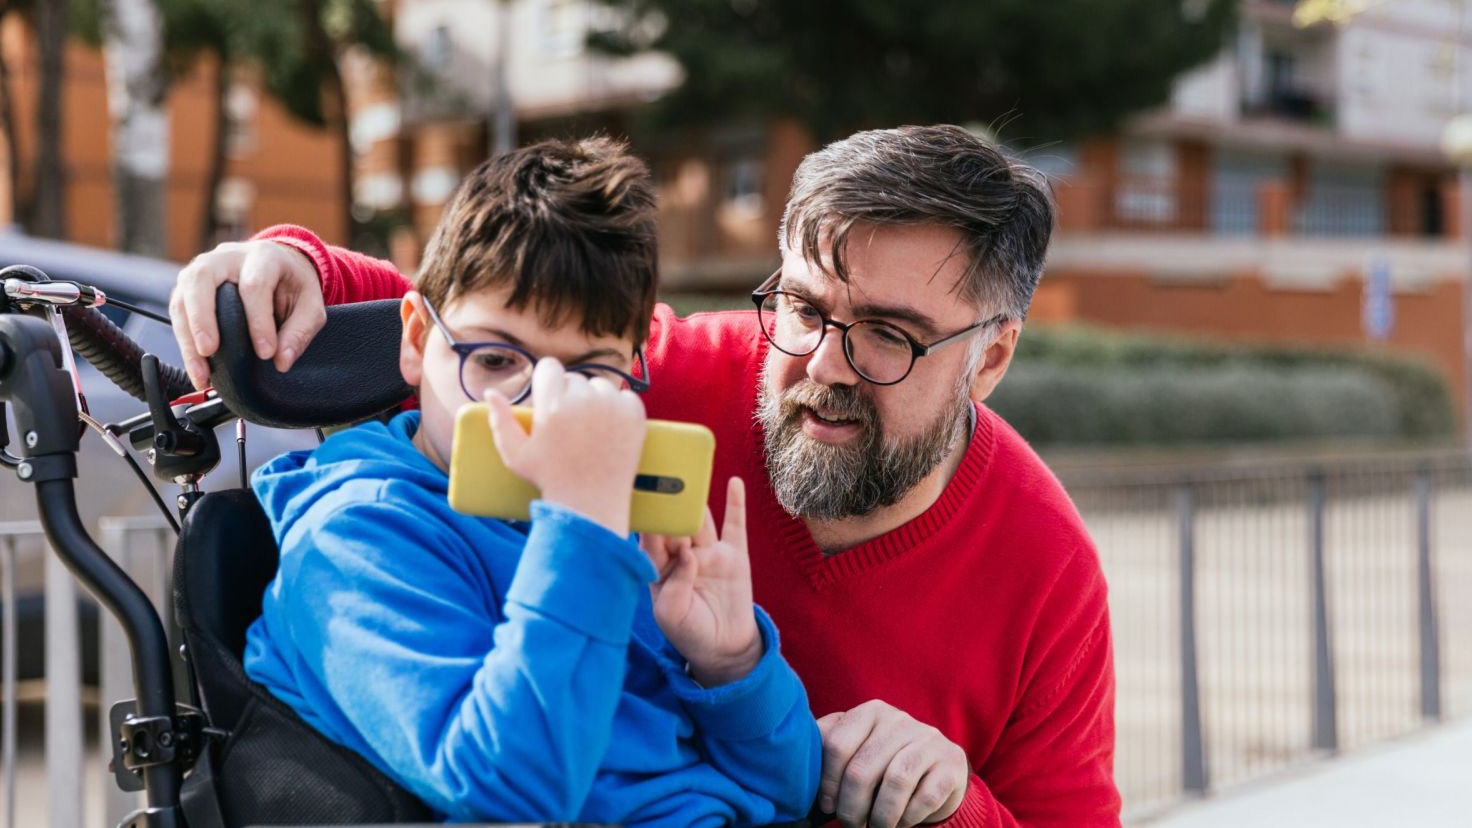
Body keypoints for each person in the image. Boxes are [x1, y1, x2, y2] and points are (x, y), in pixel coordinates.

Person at [176, 125, 1119, 826]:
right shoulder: (625, 412)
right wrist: (291, 265)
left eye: (888, 336)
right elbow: (494, 314)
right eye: (800, 307)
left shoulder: (1045, 569)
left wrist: (947, 797)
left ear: (990, 362)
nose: (823, 363)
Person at [239, 138, 820, 826]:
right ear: (418, 342)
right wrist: (582, 530)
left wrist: (730, 666)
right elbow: (511, 792)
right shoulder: (354, 537)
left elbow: (791, 789)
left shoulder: (607, 516)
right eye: (493, 360)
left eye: (588, 373)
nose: (540, 404)